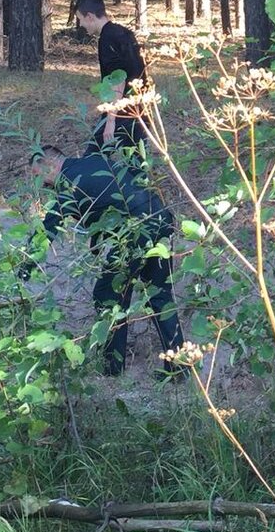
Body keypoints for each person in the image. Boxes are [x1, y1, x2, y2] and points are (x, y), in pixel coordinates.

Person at [29, 144, 183, 377]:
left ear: (50, 165)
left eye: (39, 177)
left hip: (135, 230)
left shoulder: (68, 182)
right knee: (160, 295)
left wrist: (24, 265)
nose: (42, 186)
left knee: (108, 295)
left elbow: (47, 230)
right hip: (160, 218)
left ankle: (112, 369)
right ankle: (178, 368)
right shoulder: (93, 162)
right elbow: (135, 177)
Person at [76, 0, 148, 161]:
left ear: (90, 17)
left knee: (93, 158)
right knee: (136, 163)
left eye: (81, 20)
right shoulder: (123, 32)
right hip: (141, 108)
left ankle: (77, 186)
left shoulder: (107, 39)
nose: (81, 25)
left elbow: (118, 79)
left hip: (123, 111)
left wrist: (110, 121)